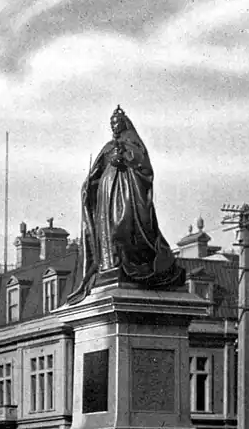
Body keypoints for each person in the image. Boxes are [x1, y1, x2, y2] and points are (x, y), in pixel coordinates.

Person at [68, 106, 185, 305]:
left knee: (121, 229)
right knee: (108, 234)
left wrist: (125, 160)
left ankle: (130, 263)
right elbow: (96, 174)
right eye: (112, 124)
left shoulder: (133, 144)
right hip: (107, 194)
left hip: (126, 192)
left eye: (117, 124)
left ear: (124, 125)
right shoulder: (107, 147)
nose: (114, 127)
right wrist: (88, 185)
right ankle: (110, 263)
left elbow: (145, 169)